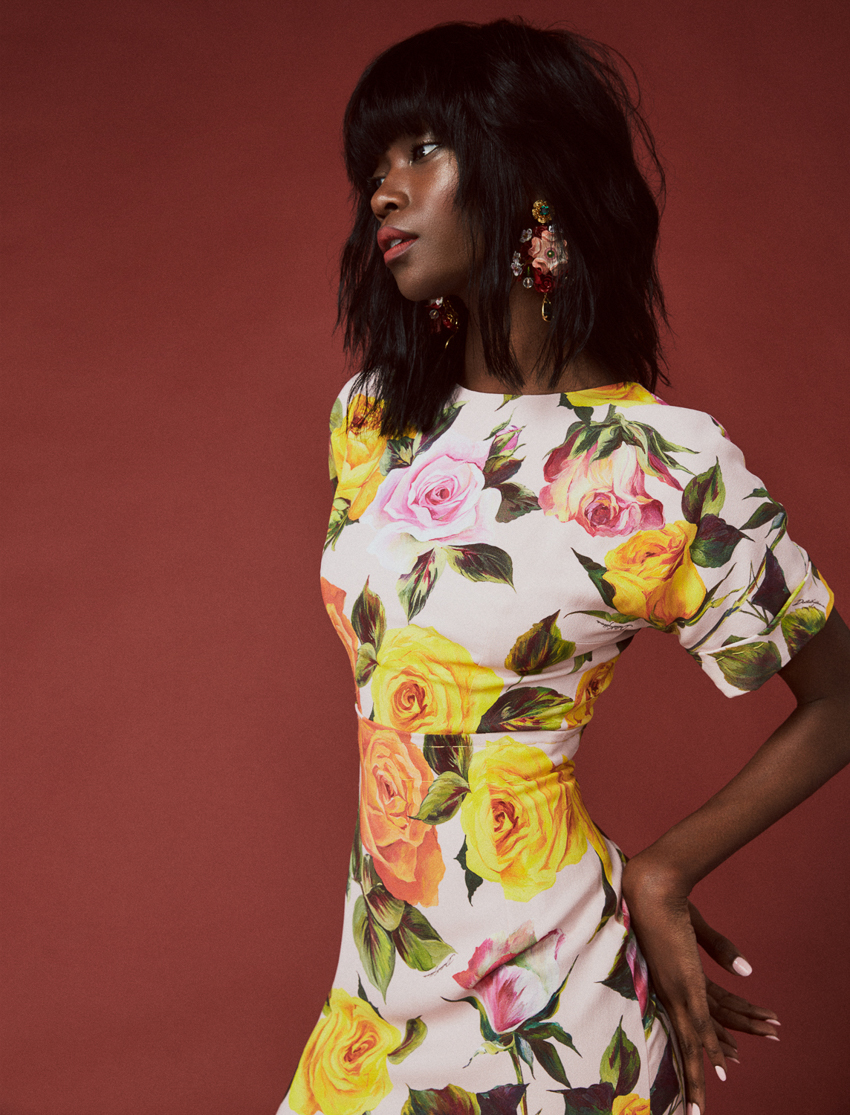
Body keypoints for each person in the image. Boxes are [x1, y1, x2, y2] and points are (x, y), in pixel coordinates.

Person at [278, 19, 849, 1115]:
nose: (383, 191)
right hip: (378, 995)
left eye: (421, 150)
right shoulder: (373, 425)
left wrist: (665, 868)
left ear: (526, 167)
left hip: (557, 1004)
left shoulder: (660, 463)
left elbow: (840, 697)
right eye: (373, 168)